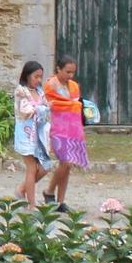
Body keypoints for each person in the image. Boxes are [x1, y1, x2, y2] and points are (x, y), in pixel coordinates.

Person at [43, 55, 88, 212]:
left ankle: (60, 201)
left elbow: (76, 105)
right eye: (67, 72)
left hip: (72, 128)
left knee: (67, 166)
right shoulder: (50, 86)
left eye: (73, 72)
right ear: (58, 69)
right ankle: (49, 191)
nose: (70, 76)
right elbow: (53, 105)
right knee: (66, 162)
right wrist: (71, 105)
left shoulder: (74, 86)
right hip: (57, 128)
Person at [12, 60, 51, 207]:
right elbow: (26, 111)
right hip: (26, 134)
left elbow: (46, 109)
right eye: (36, 76)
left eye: (40, 77)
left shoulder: (40, 91)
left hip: (40, 134)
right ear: (27, 75)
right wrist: (43, 108)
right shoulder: (21, 91)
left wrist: (45, 108)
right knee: (32, 167)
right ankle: (32, 204)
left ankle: (22, 189)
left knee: (45, 167)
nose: (39, 80)